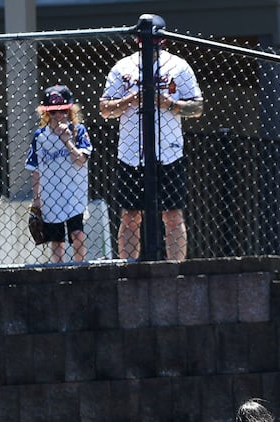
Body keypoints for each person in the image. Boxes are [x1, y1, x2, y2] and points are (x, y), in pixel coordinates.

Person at [99, 32, 203, 262]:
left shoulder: (178, 65)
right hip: (131, 153)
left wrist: (170, 104)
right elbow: (105, 109)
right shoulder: (123, 66)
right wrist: (131, 99)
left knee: (173, 214)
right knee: (130, 216)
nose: (151, 48)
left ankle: (175, 268)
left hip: (169, 151)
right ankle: (128, 266)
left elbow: (197, 107)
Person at [26, 85, 92, 264]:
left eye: (62, 111)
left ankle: (80, 268)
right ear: (46, 113)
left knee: (77, 234)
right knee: (56, 241)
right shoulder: (40, 136)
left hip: (74, 194)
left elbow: (81, 159)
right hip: (51, 196)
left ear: (70, 110)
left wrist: (67, 140)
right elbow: (35, 170)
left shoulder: (78, 131)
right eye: (53, 112)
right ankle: (58, 271)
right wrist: (36, 198)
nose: (59, 115)